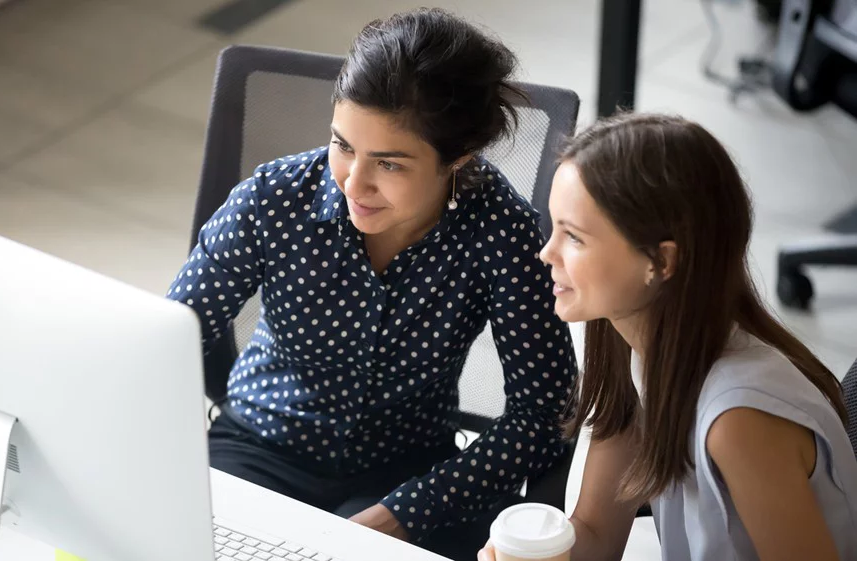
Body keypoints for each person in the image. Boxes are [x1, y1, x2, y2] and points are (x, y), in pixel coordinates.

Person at [166, 7, 577, 559]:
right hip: (258, 445)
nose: (354, 183)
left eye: (389, 164)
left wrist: (411, 510)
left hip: (407, 471)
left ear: (459, 157)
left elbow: (545, 410)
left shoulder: (501, 233)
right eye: (343, 145)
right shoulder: (272, 200)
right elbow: (167, 343)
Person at [479, 113, 857, 561]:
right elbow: (598, 533)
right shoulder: (630, 343)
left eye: (574, 237)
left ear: (659, 262)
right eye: (554, 227)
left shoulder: (739, 420)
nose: (547, 252)